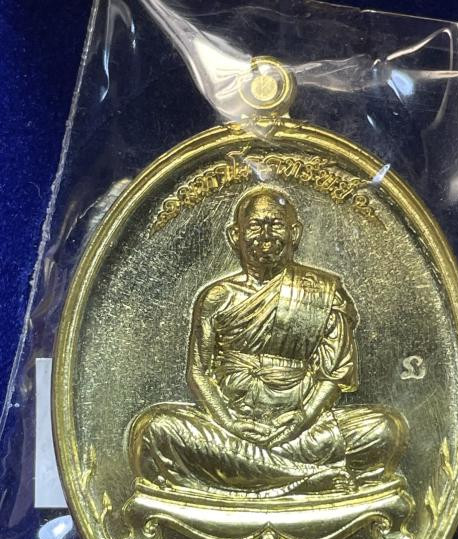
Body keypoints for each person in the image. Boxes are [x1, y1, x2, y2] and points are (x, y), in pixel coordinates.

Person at [128, 186, 408, 497]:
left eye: (275, 224)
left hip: (300, 431)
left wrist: (302, 418)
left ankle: (264, 474)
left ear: (295, 233)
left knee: (385, 429)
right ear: (235, 235)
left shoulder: (324, 291)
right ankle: (308, 479)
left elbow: (334, 374)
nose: (265, 234)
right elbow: (198, 372)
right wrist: (229, 422)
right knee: (155, 429)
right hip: (230, 429)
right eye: (255, 225)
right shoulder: (216, 297)